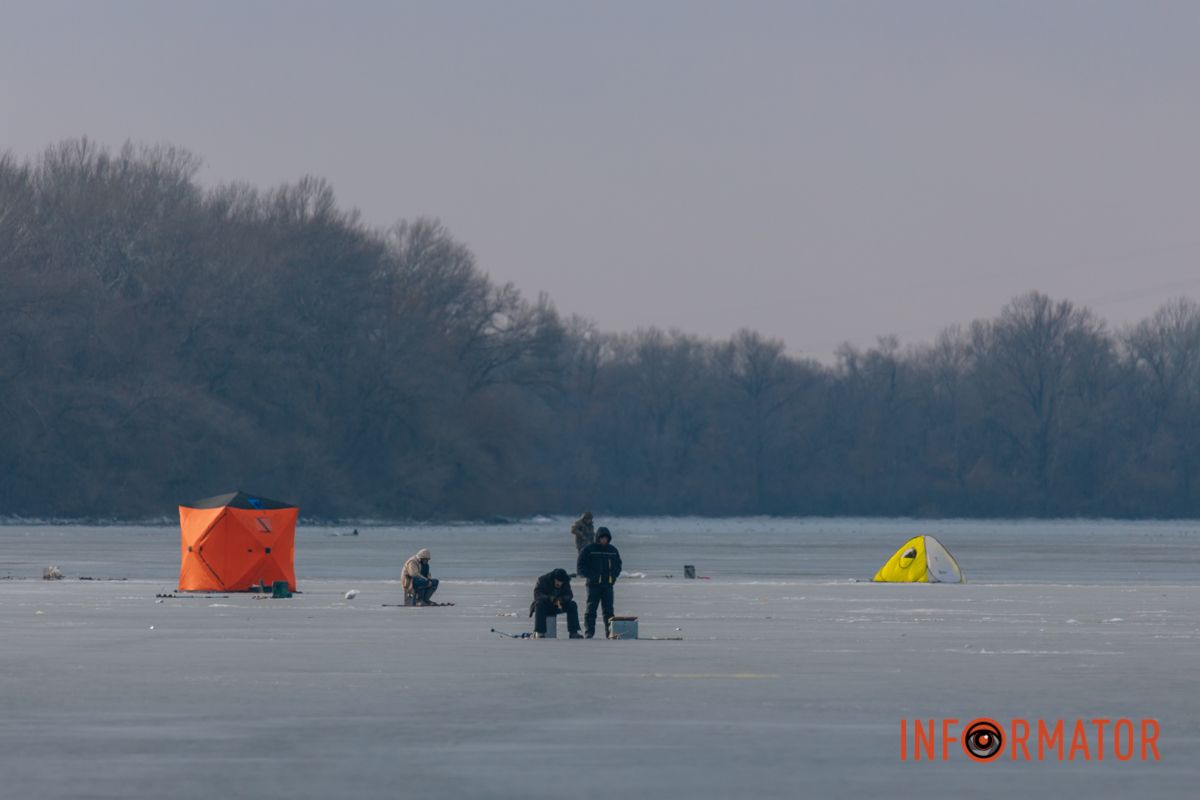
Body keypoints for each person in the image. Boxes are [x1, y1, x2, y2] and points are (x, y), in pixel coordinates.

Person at [576, 527, 622, 638]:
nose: (604, 540)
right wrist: (590, 576)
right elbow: (580, 566)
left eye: (606, 538)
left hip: (608, 585)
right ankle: (589, 632)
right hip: (593, 585)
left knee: (609, 611)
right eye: (602, 538)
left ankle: (610, 633)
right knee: (591, 610)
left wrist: (613, 577)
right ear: (598, 538)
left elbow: (618, 566)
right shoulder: (589, 549)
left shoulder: (613, 550)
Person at [530, 567, 582, 638]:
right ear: (554, 578)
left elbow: (569, 595)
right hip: (545, 605)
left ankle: (573, 632)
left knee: (572, 605)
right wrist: (550, 598)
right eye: (558, 581)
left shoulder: (565, 582)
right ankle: (540, 632)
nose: (559, 583)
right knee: (539, 604)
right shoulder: (542, 580)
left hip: (559, 605)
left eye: (561, 582)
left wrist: (562, 599)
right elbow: (537, 595)